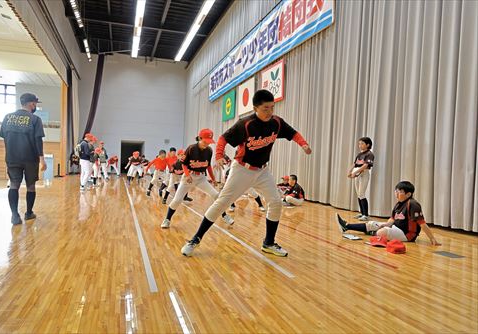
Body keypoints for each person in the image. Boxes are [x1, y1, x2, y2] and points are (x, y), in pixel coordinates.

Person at [181, 89, 312, 257]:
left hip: (263, 171)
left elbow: (293, 133)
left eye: (272, 107)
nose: (270, 112)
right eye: (266, 108)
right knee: (221, 203)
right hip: (242, 169)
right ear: (255, 108)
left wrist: (303, 144)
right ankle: (195, 239)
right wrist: (219, 155)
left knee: (275, 203)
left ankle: (269, 243)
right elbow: (223, 138)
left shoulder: (277, 123)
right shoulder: (246, 124)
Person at [161, 129, 234, 229]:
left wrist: (213, 179)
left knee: (216, 195)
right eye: (205, 141)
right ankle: (167, 219)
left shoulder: (209, 150)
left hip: (201, 178)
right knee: (177, 200)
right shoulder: (191, 148)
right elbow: (184, 164)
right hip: (188, 177)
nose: (207, 144)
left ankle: (224, 215)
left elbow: (208, 166)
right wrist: (187, 175)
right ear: (199, 138)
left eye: (209, 142)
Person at [336, 181, 441, 245]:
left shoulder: (413, 204)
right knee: (373, 224)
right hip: (396, 228)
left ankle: (372, 232)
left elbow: (422, 224)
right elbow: (392, 219)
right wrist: (385, 224)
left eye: (400, 191)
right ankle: (346, 226)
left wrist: (432, 239)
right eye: (396, 191)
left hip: (407, 235)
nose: (396, 193)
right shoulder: (398, 204)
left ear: (408, 194)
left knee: (382, 232)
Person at [0, 93, 47, 225]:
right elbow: (38, 140)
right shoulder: (35, 119)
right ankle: (28, 213)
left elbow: (4, 137)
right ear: (32, 103)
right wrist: (42, 159)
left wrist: (9, 155)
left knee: (14, 184)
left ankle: (14, 215)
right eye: (35, 103)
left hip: (12, 157)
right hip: (30, 158)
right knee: (31, 186)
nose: (35, 106)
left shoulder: (7, 117)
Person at [347, 137, 374, 221]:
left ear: (368, 145)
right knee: (359, 194)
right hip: (357, 173)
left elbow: (365, 165)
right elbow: (355, 164)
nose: (360, 145)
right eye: (359, 143)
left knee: (361, 193)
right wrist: (350, 171)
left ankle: (366, 215)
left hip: (364, 173)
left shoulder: (369, 154)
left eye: (362, 143)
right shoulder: (359, 154)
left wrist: (355, 172)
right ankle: (362, 213)